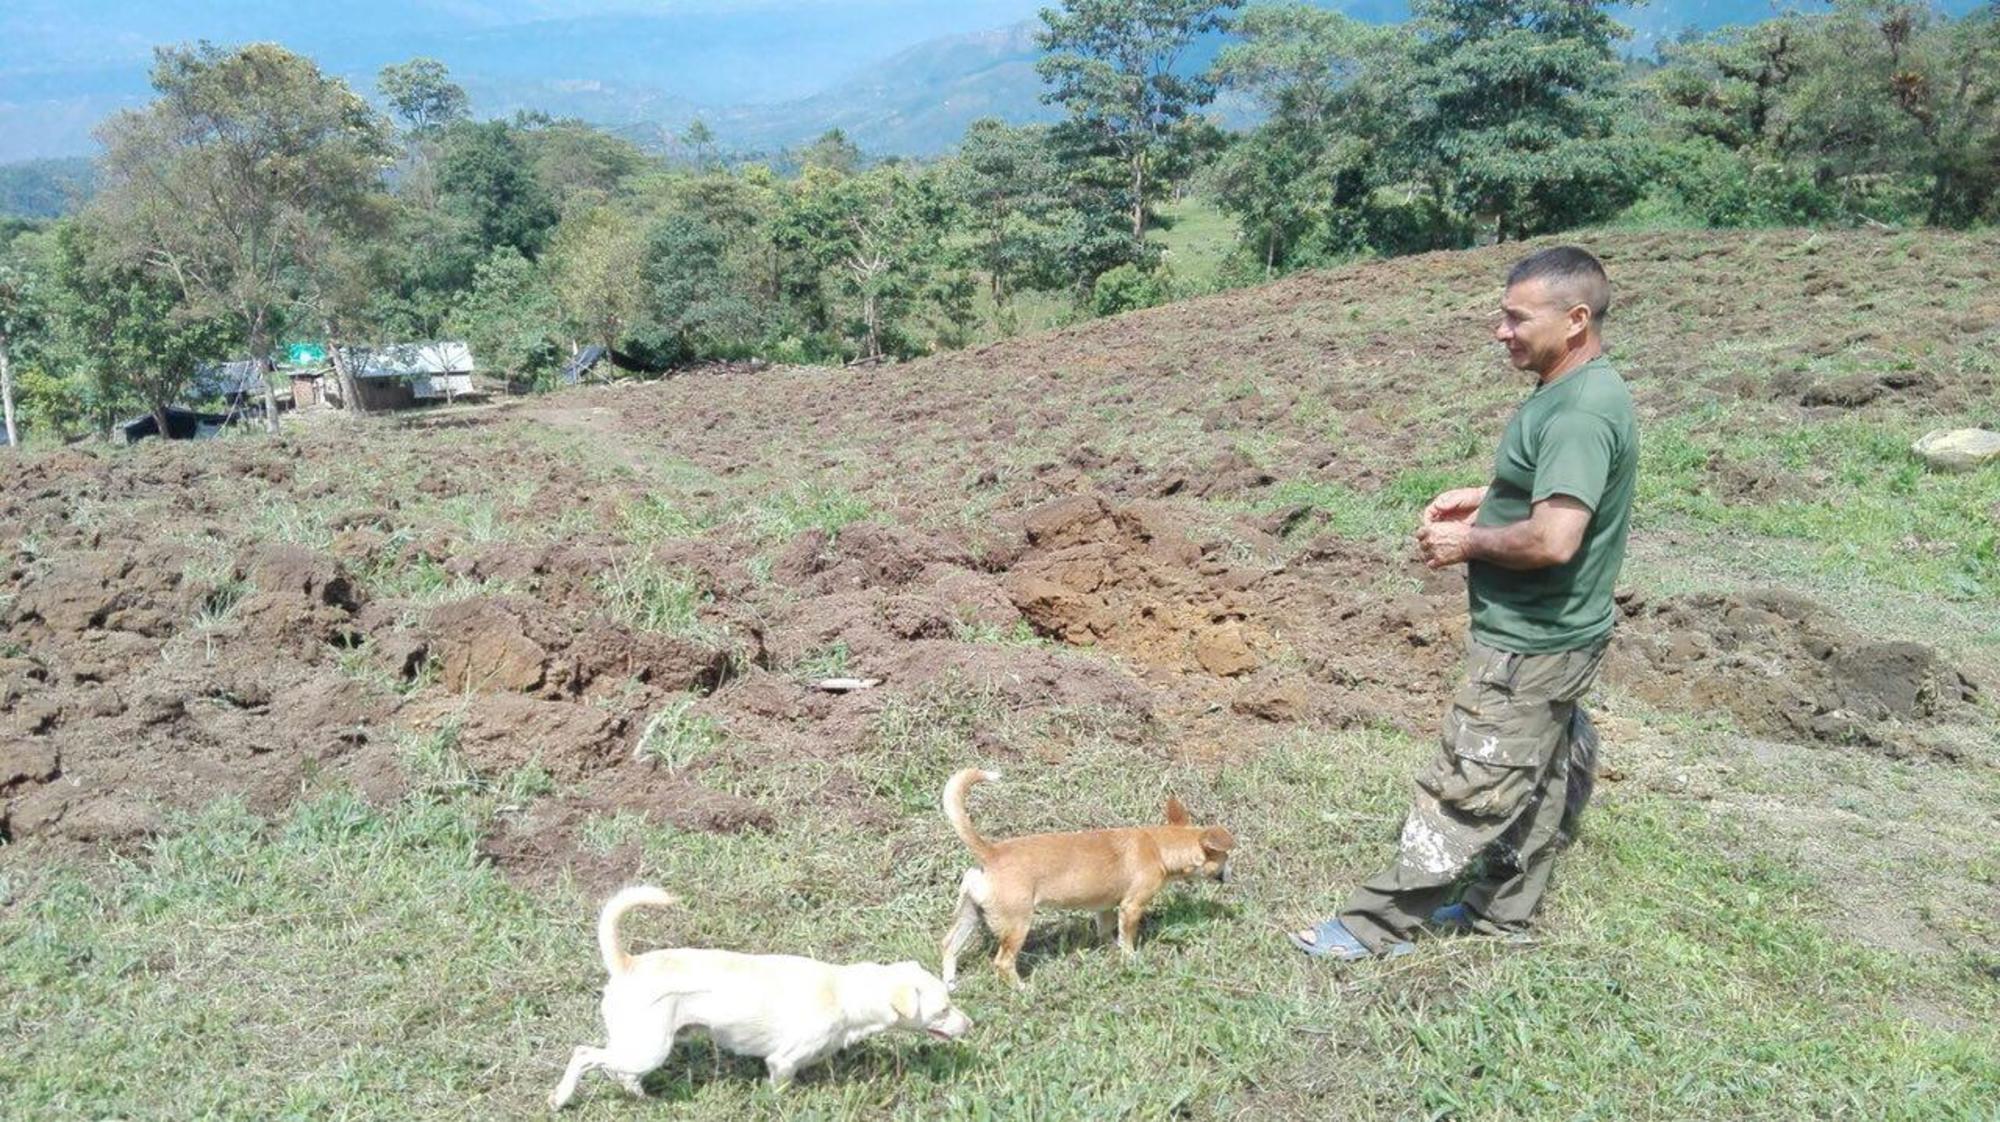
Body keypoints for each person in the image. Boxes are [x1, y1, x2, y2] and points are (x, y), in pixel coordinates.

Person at [1292, 246, 1638, 960]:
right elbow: (1561, 491)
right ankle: (1503, 914)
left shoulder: (1578, 411)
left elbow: (1554, 539)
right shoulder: (1580, 392)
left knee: (1472, 779)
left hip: (1532, 640)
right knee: (1539, 776)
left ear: (1575, 320)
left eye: (1517, 318)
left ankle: (1372, 926)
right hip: (1558, 633)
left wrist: (1468, 544)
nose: (1501, 331)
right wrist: (1489, 497)